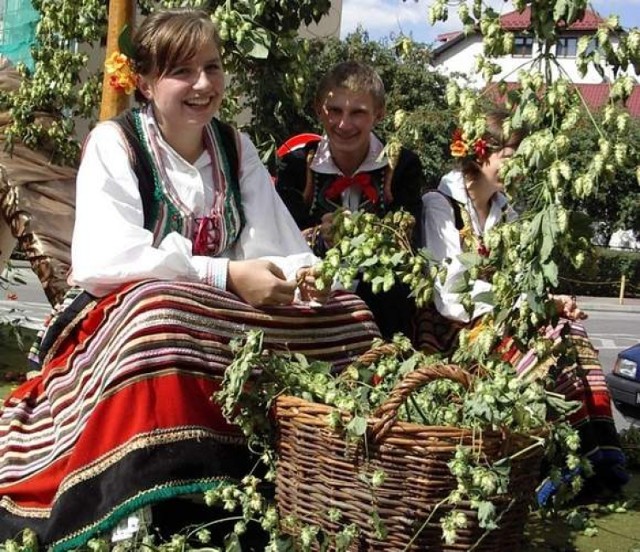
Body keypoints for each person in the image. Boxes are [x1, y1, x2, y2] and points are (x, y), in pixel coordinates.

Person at [0, 9, 380, 550]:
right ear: (147, 82)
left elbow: (277, 240)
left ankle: (321, 480)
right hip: (125, 318)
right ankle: (141, 492)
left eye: (213, 67)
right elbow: (106, 260)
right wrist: (223, 274)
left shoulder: (235, 146)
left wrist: (306, 278)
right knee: (160, 311)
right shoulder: (117, 143)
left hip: (218, 319)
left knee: (352, 317)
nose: (204, 85)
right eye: (183, 71)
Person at [420, 109, 627, 501]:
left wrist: (548, 302)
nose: (520, 167)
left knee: (571, 333)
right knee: (541, 346)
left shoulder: (504, 209)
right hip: (457, 329)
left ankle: (598, 453)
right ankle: (555, 466)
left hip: (501, 318)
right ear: (482, 155)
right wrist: (527, 305)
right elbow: (450, 296)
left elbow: (518, 278)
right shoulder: (440, 205)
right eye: (512, 157)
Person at [275, 61, 426, 339]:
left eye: (357, 112)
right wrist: (321, 236)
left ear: (379, 114)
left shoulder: (402, 166)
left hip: (384, 307)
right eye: (334, 111)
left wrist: (361, 233)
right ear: (319, 109)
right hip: (312, 302)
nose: (344, 124)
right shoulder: (296, 166)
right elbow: (282, 239)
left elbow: (409, 241)